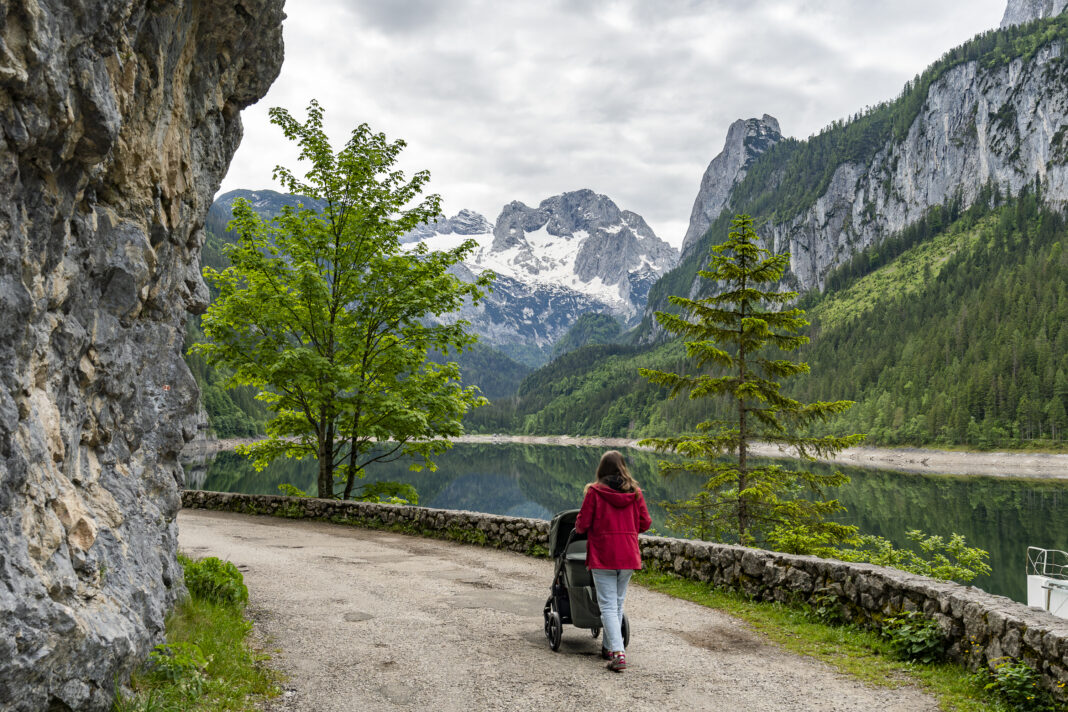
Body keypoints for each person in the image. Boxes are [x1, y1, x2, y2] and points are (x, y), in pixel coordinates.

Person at [574, 450, 652, 672]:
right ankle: (609, 647)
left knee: (608, 604)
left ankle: (618, 654)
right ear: (622, 468)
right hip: (628, 555)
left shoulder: (595, 492)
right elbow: (645, 523)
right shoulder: (635, 493)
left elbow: (582, 525)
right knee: (616, 603)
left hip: (603, 555)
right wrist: (627, 528)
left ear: (602, 469)